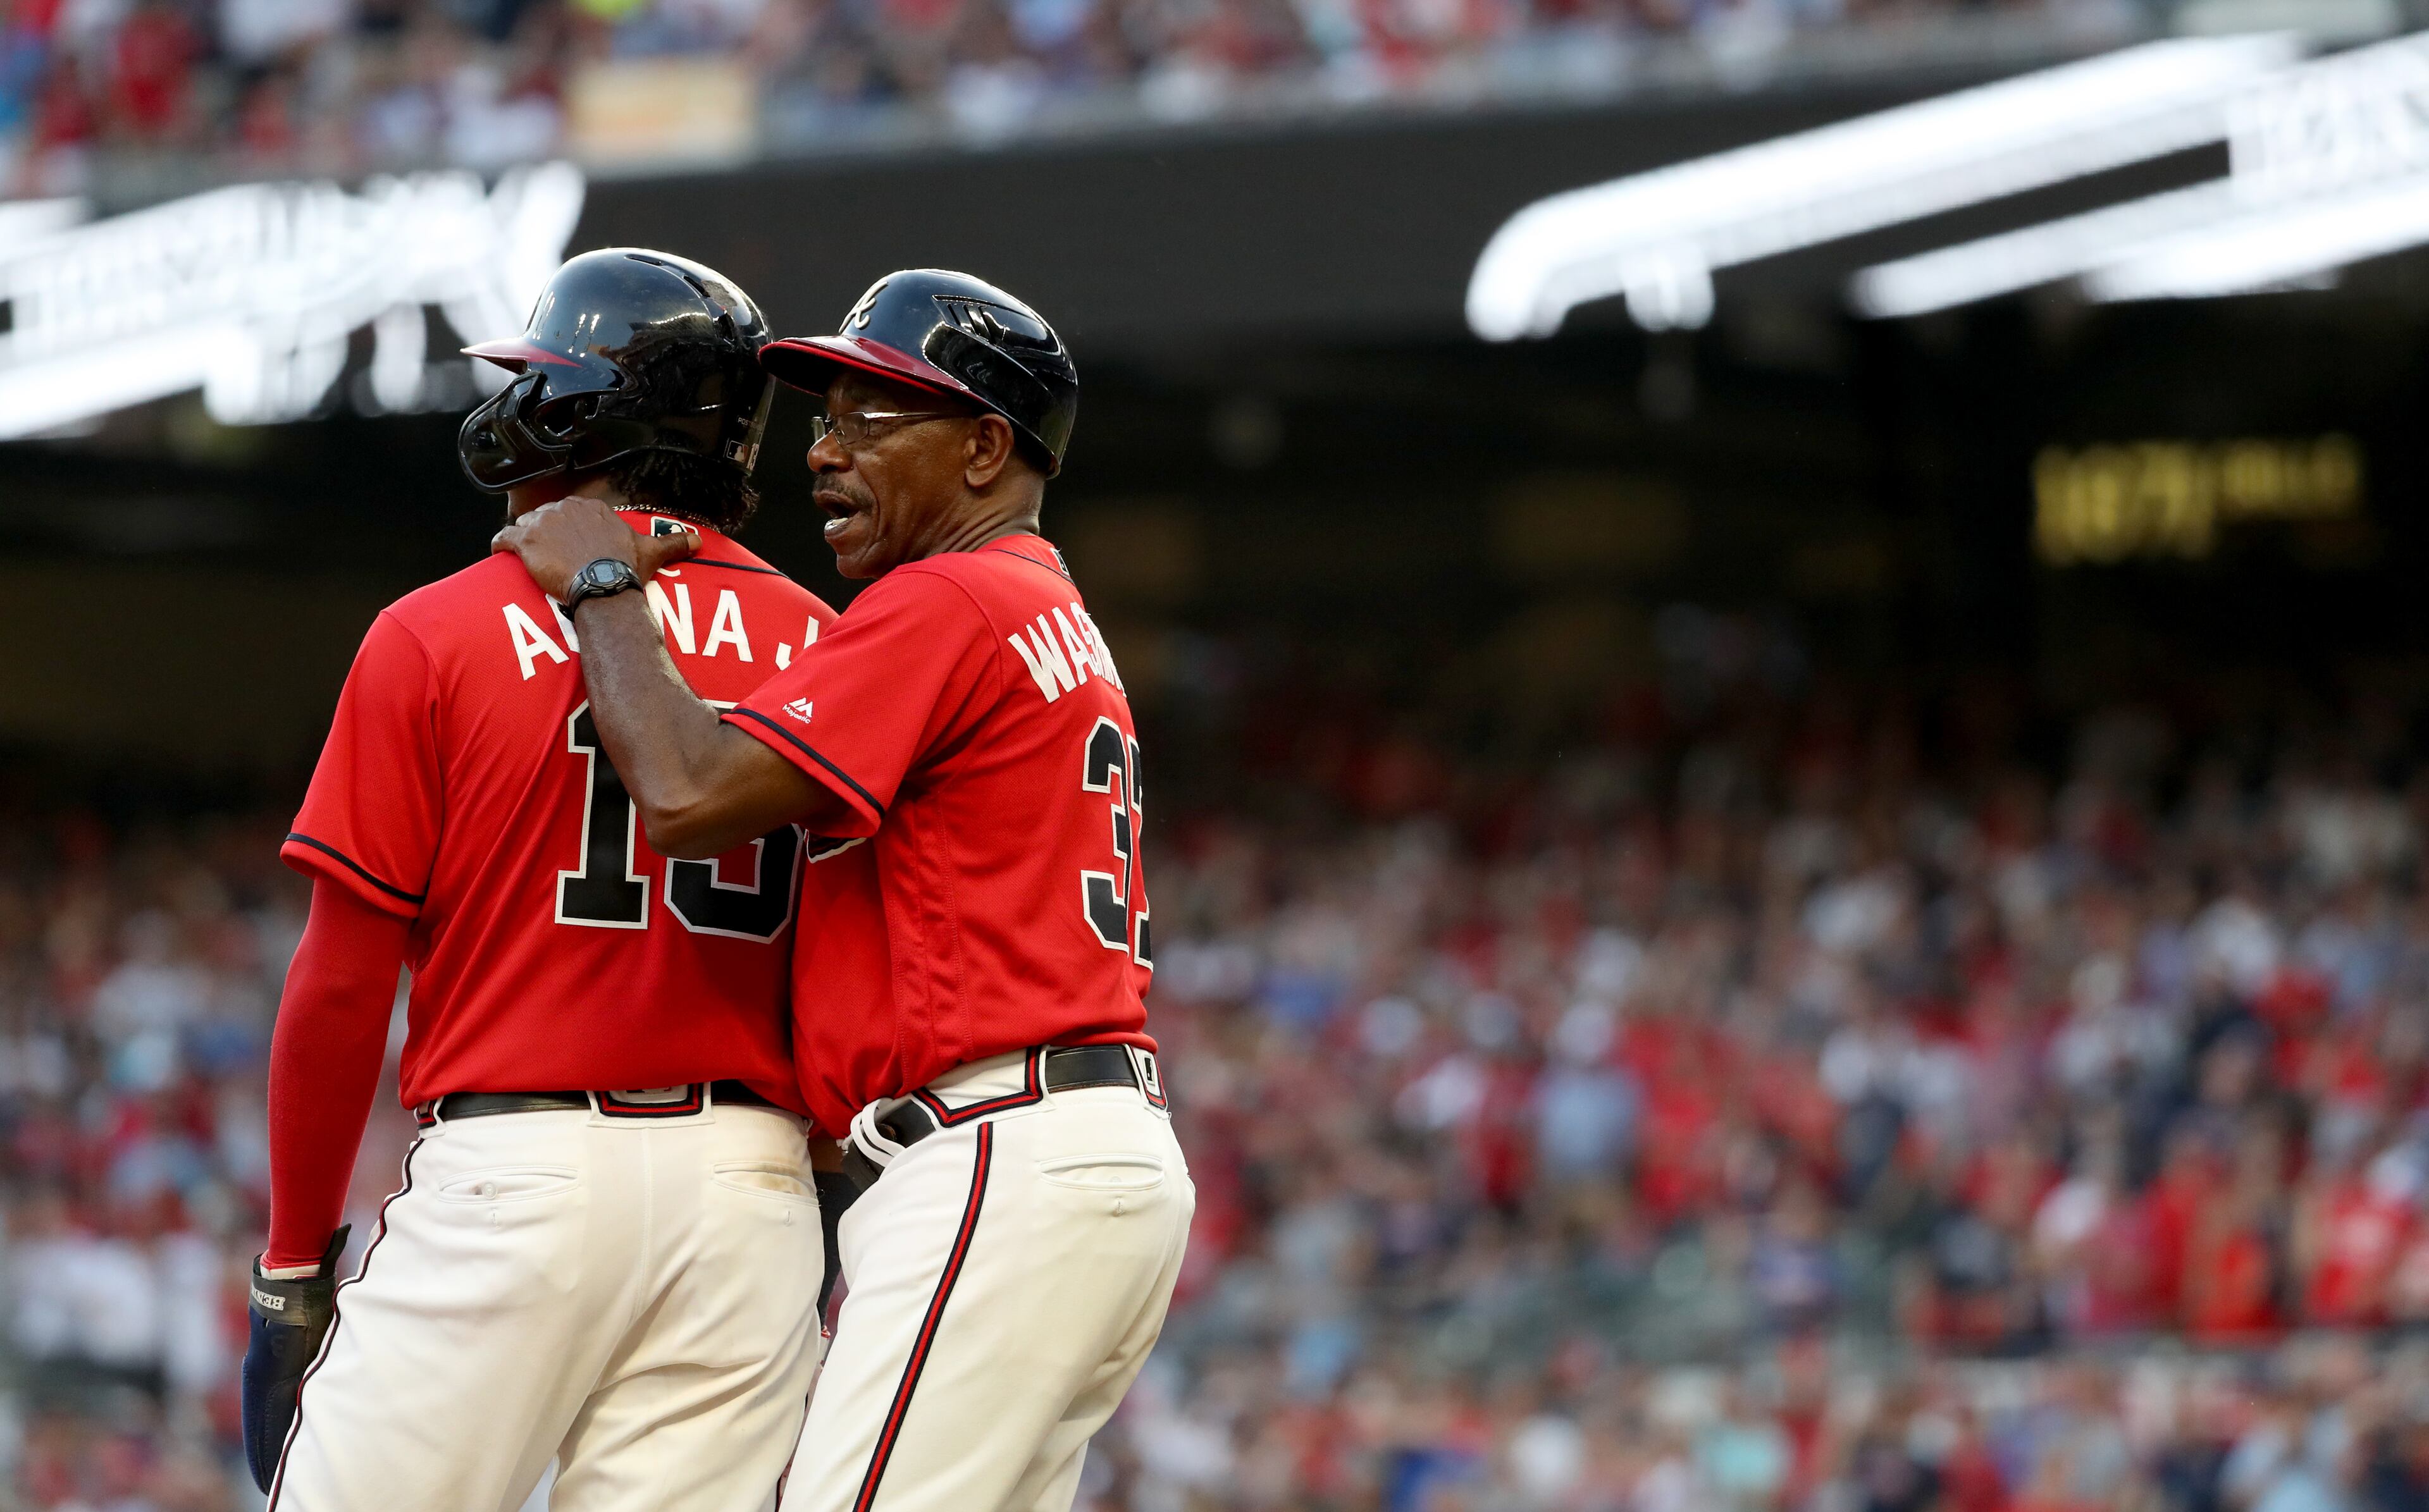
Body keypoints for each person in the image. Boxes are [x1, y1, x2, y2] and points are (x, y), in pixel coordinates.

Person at [493, 268, 1192, 1512]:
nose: (822, 453)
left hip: (997, 1151)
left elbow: (691, 792)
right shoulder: (1044, 607)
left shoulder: (949, 595)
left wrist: (602, 586)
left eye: (871, 422)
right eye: (823, 422)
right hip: (1073, 1150)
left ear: (986, 448)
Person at [244, 247, 837, 1512]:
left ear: (588, 408)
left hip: (519, 1171)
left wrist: (295, 1265)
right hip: (751, 1190)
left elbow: (342, 988)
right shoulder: (832, 647)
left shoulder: (439, 627)